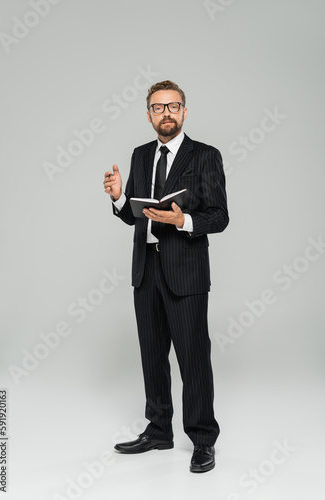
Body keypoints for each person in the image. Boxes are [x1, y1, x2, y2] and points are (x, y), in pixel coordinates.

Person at [103, 80, 229, 473]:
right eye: (158, 108)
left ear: (185, 112)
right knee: (152, 355)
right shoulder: (141, 155)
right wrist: (120, 198)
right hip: (147, 268)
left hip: (186, 270)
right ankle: (159, 430)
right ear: (148, 115)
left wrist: (184, 219)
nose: (166, 113)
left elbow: (220, 216)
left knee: (193, 359)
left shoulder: (205, 155)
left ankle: (203, 440)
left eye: (173, 106)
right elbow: (136, 216)